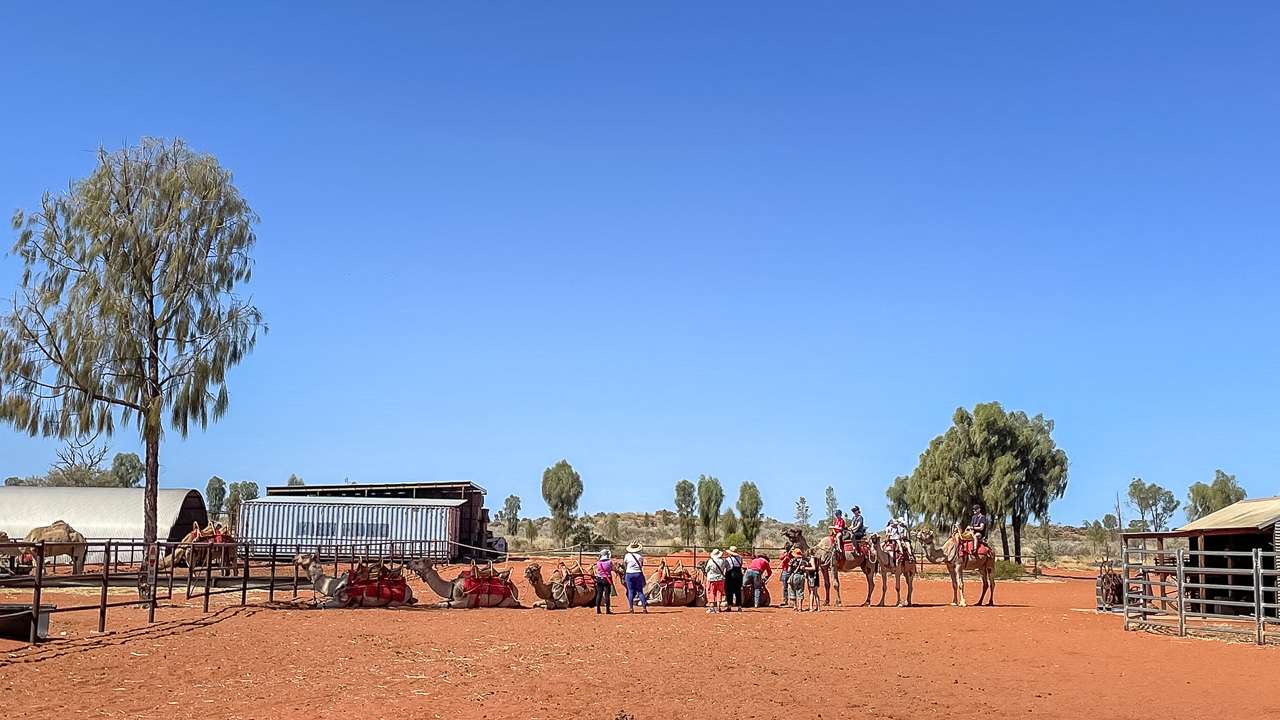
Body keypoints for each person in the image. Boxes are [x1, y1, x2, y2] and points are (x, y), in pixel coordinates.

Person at [622, 542, 647, 613]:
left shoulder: (627, 556)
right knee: (640, 591)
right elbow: (641, 565)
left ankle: (631, 608)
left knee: (630, 591)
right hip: (638, 573)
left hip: (629, 573)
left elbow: (625, 565)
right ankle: (644, 608)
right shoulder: (640, 556)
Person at [704, 548, 728, 613]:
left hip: (711, 578)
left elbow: (706, 569)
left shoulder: (710, 561)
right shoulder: (723, 560)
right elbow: (727, 568)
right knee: (719, 592)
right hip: (721, 578)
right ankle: (718, 607)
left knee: (711, 592)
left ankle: (712, 607)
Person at [786, 548, 808, 613]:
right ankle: (800, 607)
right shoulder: (803, 561)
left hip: (794, 576)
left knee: (793, 590)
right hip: (801, 576)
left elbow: (789, 570)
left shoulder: (792, 560)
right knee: (800, 591)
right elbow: (805, 569)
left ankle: (795, 606)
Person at [593, 549, 614, 615]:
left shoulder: (598, 562)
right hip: (607, 579)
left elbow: (597, 570)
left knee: (599, 594)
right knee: (607, 595)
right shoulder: (609, 562)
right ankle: (607, 610)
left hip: (599, 579)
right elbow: (611, 569)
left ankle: (598, 610)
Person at [723, 546, 744, 611]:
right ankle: (739, 606)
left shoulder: (728, 559)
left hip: (730, 575)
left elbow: (726, 567)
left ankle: (729, 606)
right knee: (738, 590)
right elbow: (741, 565)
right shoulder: (740, 558)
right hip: (739, 575)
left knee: (729, 590)